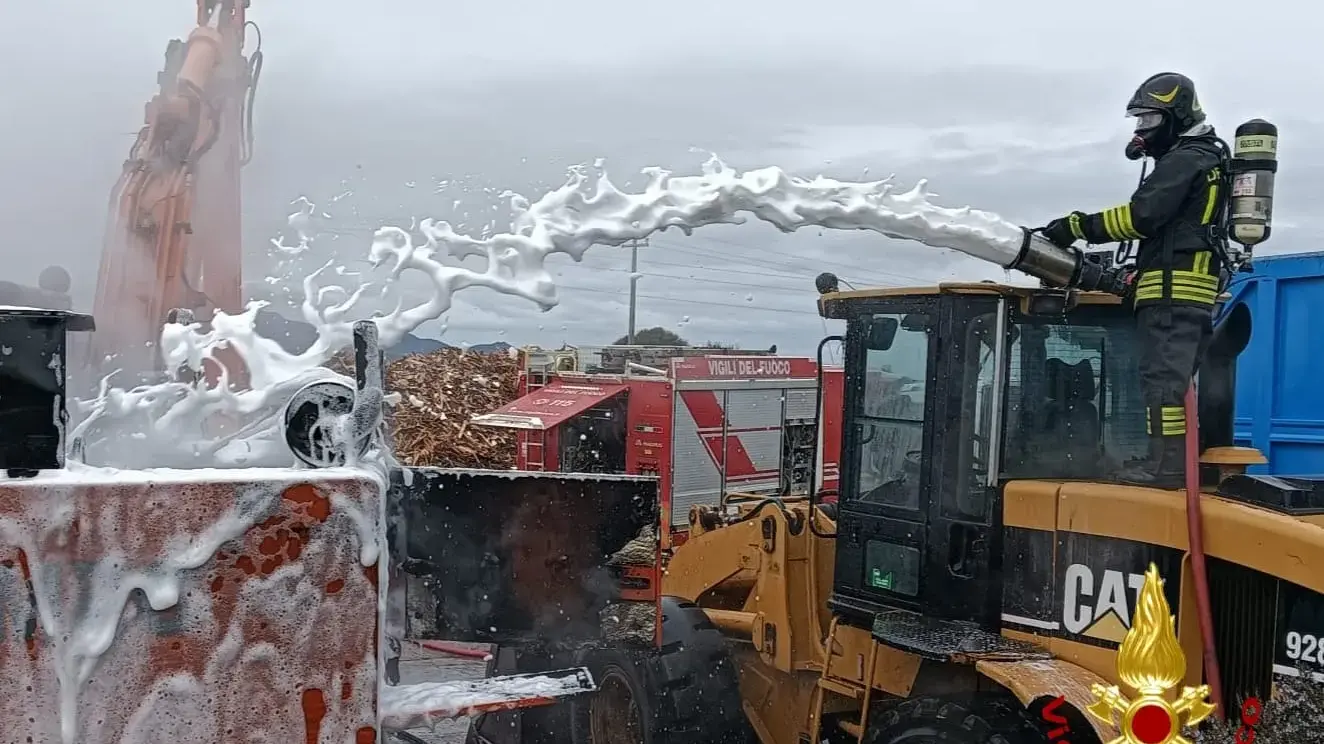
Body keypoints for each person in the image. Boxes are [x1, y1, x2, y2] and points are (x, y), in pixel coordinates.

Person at [1039, 72, 1229, 488]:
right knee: (1165, 384)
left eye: (1149, 121)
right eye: (1138, 123)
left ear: (1176, 116)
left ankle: (1167, 468)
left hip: (1171, 293)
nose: (1142, 132)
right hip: (1182, 291)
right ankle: (1165, 460)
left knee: (1162, 384)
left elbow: (1140, 216)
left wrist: (1076, 225)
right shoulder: (1203, 157)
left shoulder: (1186, 159)